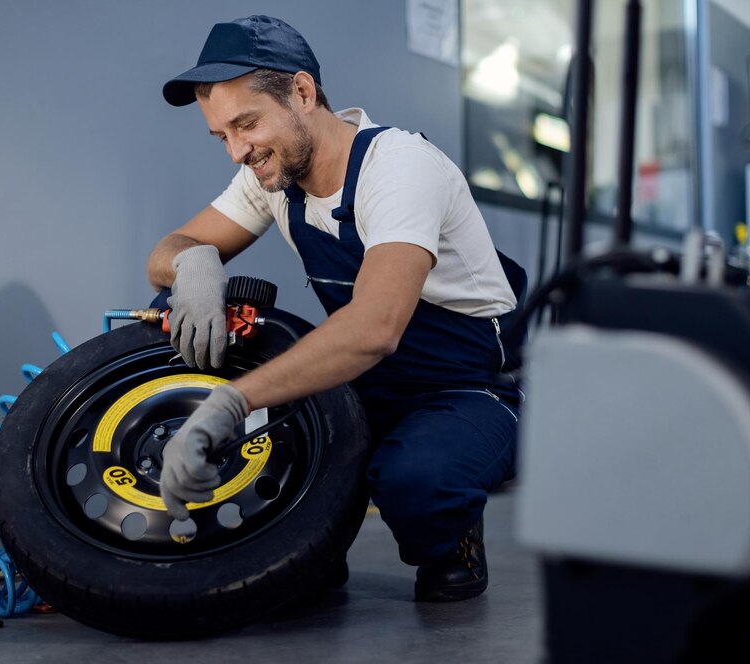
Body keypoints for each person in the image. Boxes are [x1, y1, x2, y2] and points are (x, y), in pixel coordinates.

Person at [147, 14, 526, 602]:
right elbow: (166, 252)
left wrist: (234, 402)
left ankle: (453, 536)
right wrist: (193, 265)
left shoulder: (396, 167)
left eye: (245, 124)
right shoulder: (270, 175)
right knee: (177, 304)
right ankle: (313, 549)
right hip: (362, 381)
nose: (237, 151)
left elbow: (375, 326)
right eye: (222, 136)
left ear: (302, 93)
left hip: (462, 386)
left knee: (420, 484)